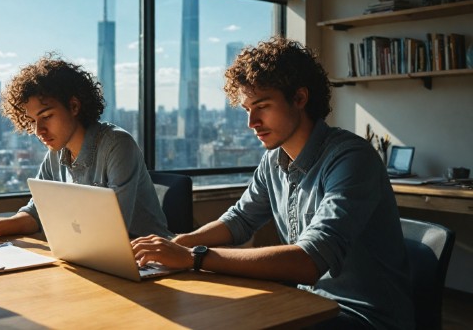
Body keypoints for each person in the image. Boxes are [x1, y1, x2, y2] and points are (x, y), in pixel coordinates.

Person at [132, 37, 413, 329]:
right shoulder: (274, 159)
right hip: (307, 302)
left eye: (262, 106)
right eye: (246, 110)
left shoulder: (352, 158)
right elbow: (239, 220)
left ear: (300, 98)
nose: (251, 122)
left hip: (364, 317)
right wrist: (176, 244)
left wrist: (194, 257)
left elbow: (309, 261)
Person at [0, 54, 171, 243]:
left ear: (74, 106)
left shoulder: (117, 145)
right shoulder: (55, 154)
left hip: (150, 261)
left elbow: (113, 232)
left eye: (46, 116)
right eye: (32, 121)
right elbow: (36, 214)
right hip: (94, 256)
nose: (38, 130)